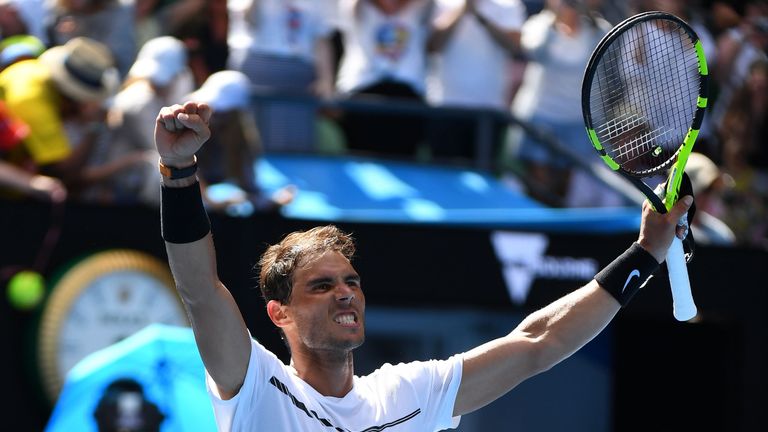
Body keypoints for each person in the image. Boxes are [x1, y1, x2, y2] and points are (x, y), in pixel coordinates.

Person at [153, 101, 694, 431]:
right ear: (280, 313)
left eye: (351, 281)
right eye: (321, 286)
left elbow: (538, 343)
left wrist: (645, 254)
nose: (345, 293)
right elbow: (200, 289)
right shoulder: (254, 384)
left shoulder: (408, 394)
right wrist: (179, 174)